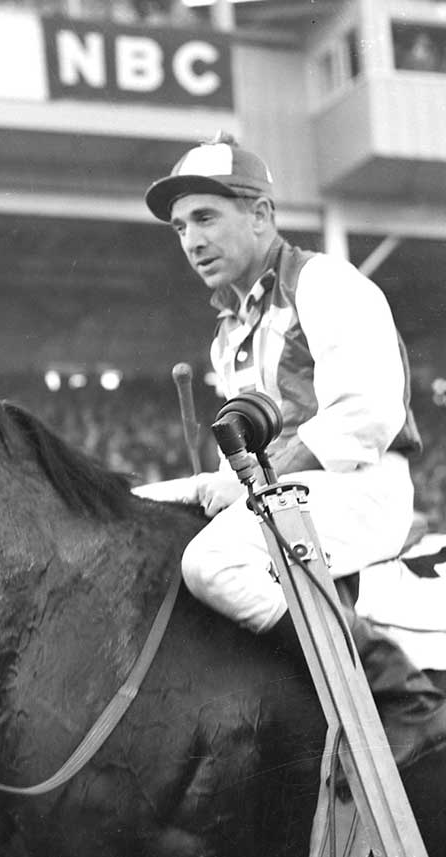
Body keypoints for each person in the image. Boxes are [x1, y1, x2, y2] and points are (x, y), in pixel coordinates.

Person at [141, 134, 446, 772]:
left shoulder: (326, 283)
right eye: (178, 227)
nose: (191, 240)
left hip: (362, 488)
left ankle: (402, 694)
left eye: (205, 217)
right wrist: (217, 480)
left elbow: (367, 414)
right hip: (290, 490)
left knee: (212, 565)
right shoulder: (228, 333)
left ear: (261, 215)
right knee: (135, 507)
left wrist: (251, 480)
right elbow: (246, 453)